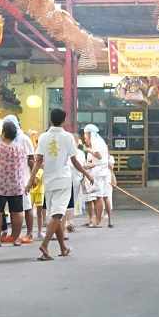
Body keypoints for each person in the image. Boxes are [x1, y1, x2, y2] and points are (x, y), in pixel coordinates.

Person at [32, 108, 90, 261]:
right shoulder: (68, 137)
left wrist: (30, 180)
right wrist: (87, 174)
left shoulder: (43, 137)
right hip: (63, 180)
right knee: (57, 215)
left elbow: (38, 160)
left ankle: (63, 248)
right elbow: (74, 161)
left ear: (51, 119)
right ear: (64, 120)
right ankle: (45, 245)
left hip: (48, 181)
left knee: (56, 215)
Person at [0, 118, 32, 246]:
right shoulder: (19, 147)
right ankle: (15, 238)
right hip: (16, 184)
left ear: (3, 134)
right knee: (17, 211)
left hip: (0, 185)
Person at [82, 123, 115, 228]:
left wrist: (89, 150)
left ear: (89, 133)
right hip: (105, 171)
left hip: (99, 172)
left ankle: (98, 221)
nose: (85, 136)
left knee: (99, 196)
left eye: (86, 134)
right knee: (106, 196)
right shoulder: (101, 141)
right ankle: (110, 221)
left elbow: (99, 156)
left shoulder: (94, 141)